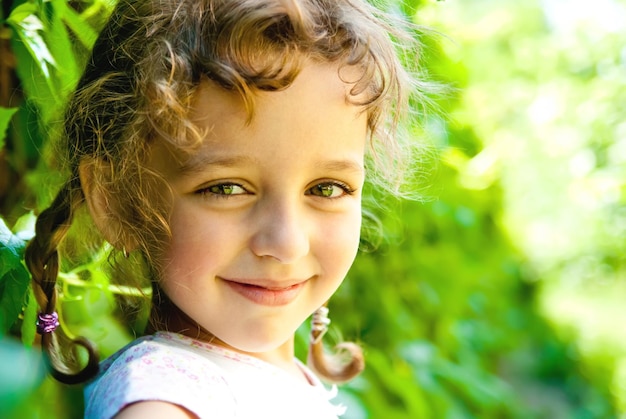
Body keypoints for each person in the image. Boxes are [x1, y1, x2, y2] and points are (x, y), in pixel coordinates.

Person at [25, 0, 429, 417]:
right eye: (226, 188)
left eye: (327, 188)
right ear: (115, 199)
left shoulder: (270, 380)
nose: (286, 243)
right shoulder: (161, 403)